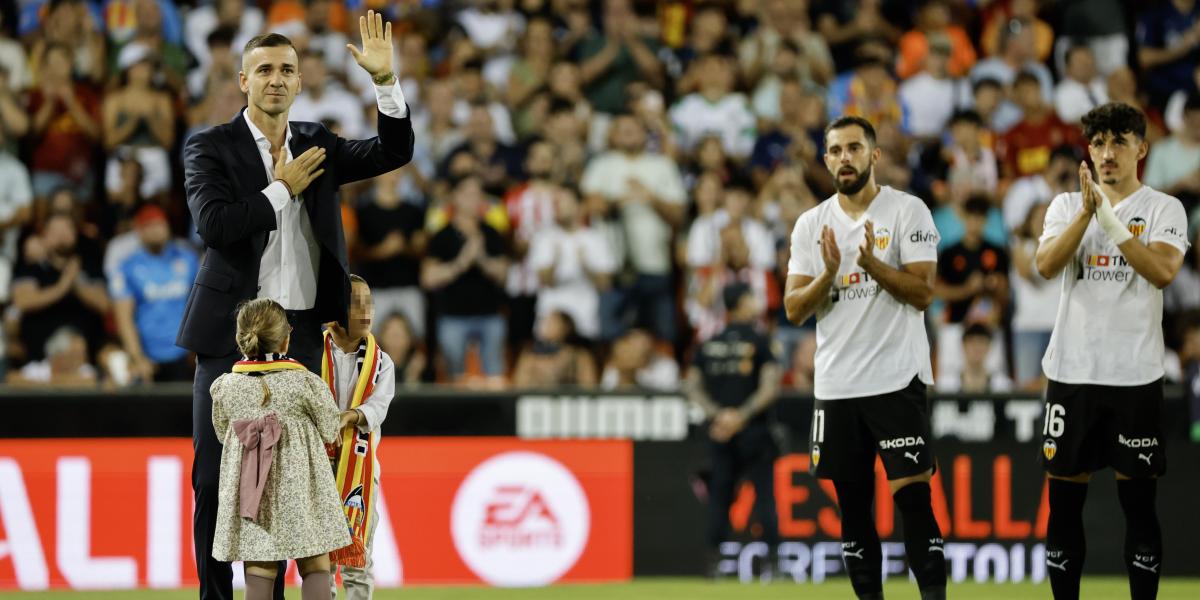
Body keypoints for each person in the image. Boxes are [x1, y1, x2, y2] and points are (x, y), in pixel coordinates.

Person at [178, 13, 415, 600]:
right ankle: (215, 596)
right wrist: (281, 186)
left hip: (305, 337)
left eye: (286, 69)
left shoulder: (320, 143)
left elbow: (394, 150)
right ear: (242, 80)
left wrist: (385, 83)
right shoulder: (210, 146)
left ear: (301, 81)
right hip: (231, 342)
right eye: (264, 69)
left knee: (295, 483)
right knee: (214, 479)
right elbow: (215, 225)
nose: (276, 79)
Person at [783, 116, 946, 600]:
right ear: (826, 160)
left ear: (874, 155)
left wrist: (874, 264)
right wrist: (829, 273)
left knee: (914, 500)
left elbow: (923, 292)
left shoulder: (907, 211)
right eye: (834, 151)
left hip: (896, 380)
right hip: (837, 387)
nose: (844, 158)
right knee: (853, 509)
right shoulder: (811, 224)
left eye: (854, 148)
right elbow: (794, 308)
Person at [1034, 103, 1189, 600]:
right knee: (1063, 505)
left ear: (1141, 149)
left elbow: (1163, 272)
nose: (1106, 153)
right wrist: (1086, 212)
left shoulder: (1164, 209)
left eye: (1118, 141)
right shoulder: (1065, 206)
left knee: (1139, 506)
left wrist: (1114, 224)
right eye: (1098, 143)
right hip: (1072, 373)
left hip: (1134, 376)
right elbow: (1045, 265)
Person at [209, 299, 349, 600]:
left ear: (240, 338)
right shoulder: (304, 382)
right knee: (314, 562)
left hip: (253, 492)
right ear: (287, 337)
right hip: (300, 489)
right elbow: (329, 426)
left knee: (259, 567)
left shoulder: (226, 387)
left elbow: (223, 432)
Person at [683, 282, 781, 577]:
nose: (757, 303)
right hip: (755, 432)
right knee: (765, 497)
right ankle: (773, 564)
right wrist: (741, 416)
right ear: (739, 304)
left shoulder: (709, 343)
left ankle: (714, 564)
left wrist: (719, 415)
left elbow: (690, 385)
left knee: (719, 499)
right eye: (752, 297)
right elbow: (771, 386)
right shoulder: (760, 341)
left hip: (720, 433)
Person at [320, 275, 395, 599]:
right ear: (335, 310)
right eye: (355, 303)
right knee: (319, 561)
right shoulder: (312, 352)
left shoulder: (382, 364)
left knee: (358, 560)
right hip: (318, 470)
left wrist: (348, 417)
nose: (366, 310)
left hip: (361, 473)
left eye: (369, 302)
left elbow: (377, 409)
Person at [111, 204, 199, 383]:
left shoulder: (187, 259)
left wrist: (200, 348)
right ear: (140, 232)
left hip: (183, 355)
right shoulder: (128, 267)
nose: (157, 230)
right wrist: (137, 357)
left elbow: (201, 304)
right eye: (150, 226)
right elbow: (124, 318)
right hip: (148, 357)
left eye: (161, 224)